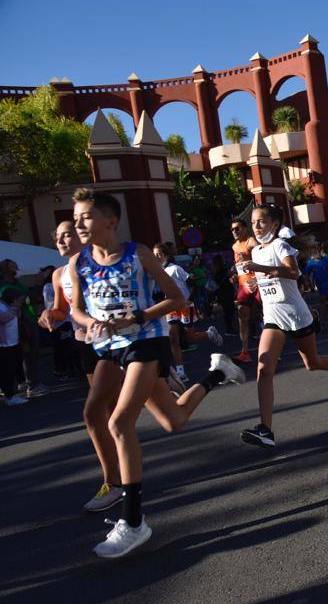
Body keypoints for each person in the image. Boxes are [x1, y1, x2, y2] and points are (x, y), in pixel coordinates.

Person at [68, 188, 246, 558]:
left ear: (110, 221)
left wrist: (137, 317)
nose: (79, 223)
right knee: (173, 421)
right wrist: (94, 322)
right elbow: (76, 311)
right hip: (109, 347)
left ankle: (133, 521)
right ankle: (216, 373)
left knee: (119, 423)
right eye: (77, 216)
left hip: (147, 341)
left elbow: (176, 299)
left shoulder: (137, 254)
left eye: (86, 216)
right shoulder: (79, 263)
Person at [238, 204, 328, 449]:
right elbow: (267, 281)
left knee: (312, 363)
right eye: (254, 221)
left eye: (262, 221)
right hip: (273, 317)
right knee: (264, 370)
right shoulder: (256, 251)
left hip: (296, 316)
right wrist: (254, 284)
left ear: (273, 224)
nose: (257, 226)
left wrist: (261, 270)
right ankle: (265, 430)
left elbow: (293, 273)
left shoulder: (281, 245)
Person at [38, 220, 123, 511]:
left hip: (111, 343)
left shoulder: (100, 265)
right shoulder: (59, 274)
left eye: (67, 235)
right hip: (85, 345)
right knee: (111, 414)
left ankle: (114, 484)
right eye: (58, 237)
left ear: (82, 237)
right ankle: (125, 475)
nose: (61, 241)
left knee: (94, 412)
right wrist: (49, 315)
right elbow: (62, 310)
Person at [152, 243, 223, 389]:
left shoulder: (175, 269)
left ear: (166, 255)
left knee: (190, 338)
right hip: (170, 307)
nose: (156, 257)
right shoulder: (157, 272)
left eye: (159, 254)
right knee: (173, 338)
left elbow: (194, 284)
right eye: (155, 255)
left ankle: (208, 333)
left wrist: (189, 300)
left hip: (185, 306)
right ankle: (180, 371)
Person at [0, 259, 47, 397]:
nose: (17, 266)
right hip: (20, 325)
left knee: (24, 355)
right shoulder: (6, 287)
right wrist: (38, 283)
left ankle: (22, 382)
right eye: (13, 265)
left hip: (25, 322)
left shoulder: (16, 283)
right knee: (28, 354)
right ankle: (32, 384)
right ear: (7, 269)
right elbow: (26, 298)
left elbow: (29, 298)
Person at [230, 217, 260, 362]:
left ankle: (274, 350)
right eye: (232, 229)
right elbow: (241, 265)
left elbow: (262, 259)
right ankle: (245, 352)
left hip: (257, 283)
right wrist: (236, 275)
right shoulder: (234, 246)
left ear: (245, 229)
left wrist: (249, 256)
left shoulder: (251, 242)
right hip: (243, 285)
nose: (234, 231)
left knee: (267, 315)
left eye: (237, 228)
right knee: (242, 316)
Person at [0, 287, 28, 405]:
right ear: (13, 299)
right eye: (19, 301)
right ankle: (9, 396)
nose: (21, 303)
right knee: (7, 370)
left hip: (13, 343)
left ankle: (11, 391)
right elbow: (3, 319)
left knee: (13, 367)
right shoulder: (3, 307)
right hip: (4, 345)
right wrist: (14, 311)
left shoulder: (7, 306)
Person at [303, 242, 328, 330]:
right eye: (315, 250)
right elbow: (306, 273)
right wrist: (307, 282)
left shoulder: (326, 259)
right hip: (318, 284)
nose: (317, 252)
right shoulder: (310, 262)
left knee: (322, 300)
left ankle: (320, 321)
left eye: (318, 250)